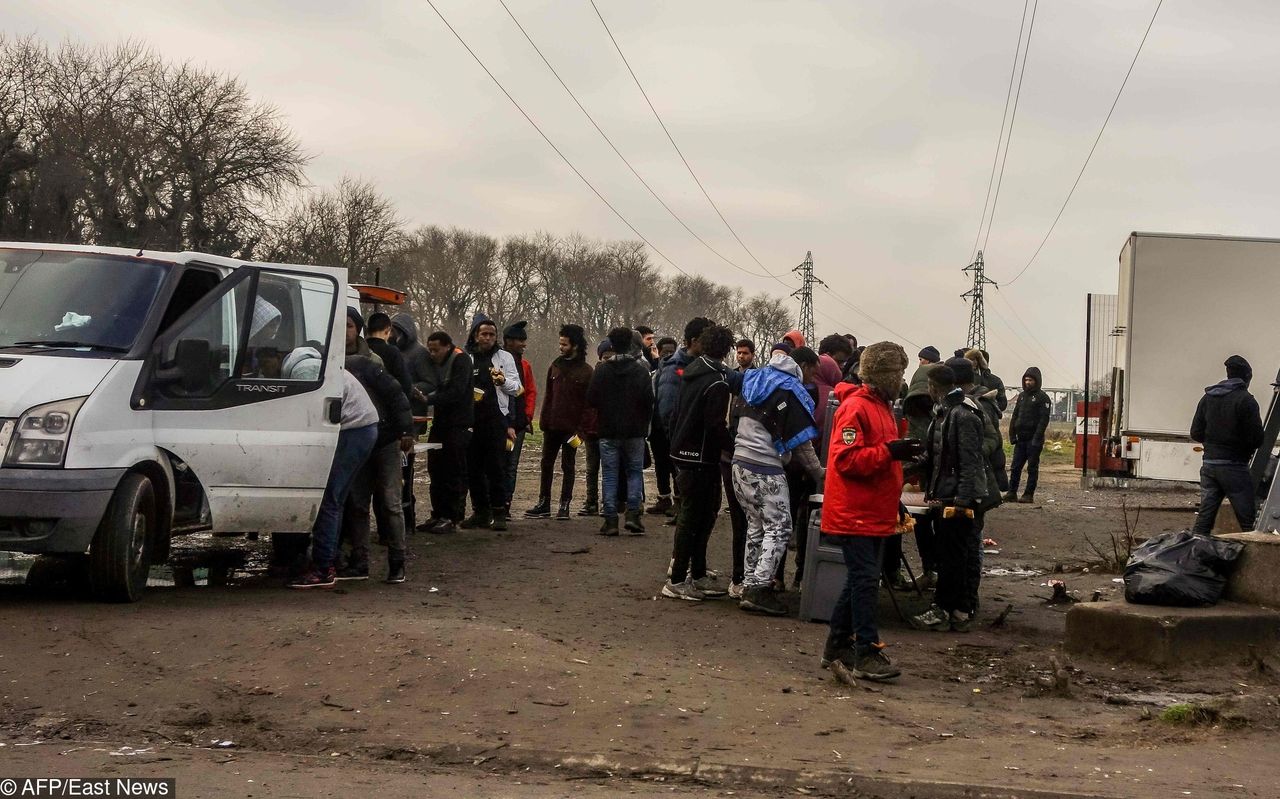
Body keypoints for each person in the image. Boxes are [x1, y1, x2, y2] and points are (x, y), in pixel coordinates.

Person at [819, 342, 917, 681]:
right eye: (899, 373)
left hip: (870, 510)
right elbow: (846, 460)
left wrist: (900, 454)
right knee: (864, 581)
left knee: (862, 579)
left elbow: (875, 454)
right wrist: (890, 451)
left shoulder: (881, 408)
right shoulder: (856, 408)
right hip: (854, 511)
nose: (902, 379)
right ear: (883, 375)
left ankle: (837, 647)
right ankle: (866, 652)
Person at [732, 348, 825, 616]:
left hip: (740, 461)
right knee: (780, 526)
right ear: (803, 366)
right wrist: (820, 473)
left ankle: (749, 581)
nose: (812, 379)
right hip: (765, 465)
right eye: (812, 372)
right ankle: (759, 588)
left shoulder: (756, 378)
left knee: (756, 524)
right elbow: (802, 445)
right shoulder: (790, 390)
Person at [911, 364, 988, 632]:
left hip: (956, 497)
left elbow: (970, 462)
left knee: (954, 557)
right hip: (946, 494)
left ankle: (946, 609)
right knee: (953, 554)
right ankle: (958, 610)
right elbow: (936, 456)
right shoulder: (944, 414)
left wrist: (963, 501)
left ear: (933, 387)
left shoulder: (962, 416)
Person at [663, 324, 736, 600]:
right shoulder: (718, 382)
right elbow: (715, 426)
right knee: (695, 518)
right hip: (702, 458)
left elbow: (675, 413)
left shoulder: (689, 372)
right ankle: (678, 580)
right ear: (727, 350)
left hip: (682, 452)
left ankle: (698, 574)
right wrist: (734, 447)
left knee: (699, 516)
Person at [289, 370, 380, 588]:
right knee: (335, 500)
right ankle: (328, 560)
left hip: (353, 430)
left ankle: (323, 568)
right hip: (363, 428)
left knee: (329, 498)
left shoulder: (304, 371)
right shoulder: (312, 364)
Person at [338, 351, 415, 583]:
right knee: (359, 504)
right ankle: (362, 562)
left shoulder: (363, 366)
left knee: (390, 502)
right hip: (363, 442)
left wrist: (406, 430)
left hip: (383, 441)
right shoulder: (348, 367)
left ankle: (396, 562)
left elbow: (396, 395)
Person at [587, 327, 654, 536]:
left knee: (609, 475)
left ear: (612, 345)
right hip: (634, 431)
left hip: (608, 430)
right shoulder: (641, 371)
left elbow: (591, 399)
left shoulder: (602, 370)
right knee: (634, 472)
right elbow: (649, 401)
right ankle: (633, 515)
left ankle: (610, 520)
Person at [1190, 355, 1265, 534]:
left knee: (1204, 520)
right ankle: (1253, 559)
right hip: (1234, 468)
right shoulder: (1246, 400)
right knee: (1248, 522)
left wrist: (1213, 444)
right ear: (1247, 377)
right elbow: (1257, 439)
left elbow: (1195, 432)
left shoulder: (1207, 398)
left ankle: (1193, 554)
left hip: (1209, 465)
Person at [527, 324, 593, 520]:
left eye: (564, 344)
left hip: (572, 430)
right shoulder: (554, 366)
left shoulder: (587, 372)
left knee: (568, 466)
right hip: (552, 427)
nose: (561, 347)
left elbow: (590, 406)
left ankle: (564, 505)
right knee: (546, 464)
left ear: (575, 345)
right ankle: (544, 503)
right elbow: (548, 396)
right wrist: (544, 421)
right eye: (560, 343)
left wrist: (581, 432)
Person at [419, 331, 474, 535]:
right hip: (440, 424)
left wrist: (429, 399)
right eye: (430, 350)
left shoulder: (461, 360)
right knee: (435, 469)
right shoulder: (439, 364)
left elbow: (456, 392)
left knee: (453, 470)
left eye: (436, 350)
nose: (432, 354)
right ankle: (438, 513)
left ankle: (451, 516)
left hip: (458, 425)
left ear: (447, 346)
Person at [391, 312, 432, 532]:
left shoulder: (419, 354)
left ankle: (408, 521)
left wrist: (411, 389)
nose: (395, 335)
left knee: (405, 471)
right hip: (394, 417)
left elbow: (429, 382)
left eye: (398, 331)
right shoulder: (393, 352)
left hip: (412, 419)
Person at [722, 339, 756, 598]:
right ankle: (739, 576)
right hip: (730, 454)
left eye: (745, 353)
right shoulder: (730, 381)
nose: (741, 356)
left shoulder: (754, 381)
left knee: (746, 519)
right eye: (739, 352)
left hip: (740, 454)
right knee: (740, 519)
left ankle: (744, 575)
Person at [502, 321, 537, 510]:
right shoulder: (498, 363)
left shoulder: (525, 365)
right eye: (520, 340)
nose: (524, 344)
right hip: (501, 422)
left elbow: (530, 391)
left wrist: (528, 416)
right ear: (508, 341)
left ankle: (506, 502)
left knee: (511, 465)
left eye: (524, 340)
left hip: (519, 424)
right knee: (499, 463)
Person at [965, 349, 1009, 493]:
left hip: (987, 424)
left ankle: (997, 488)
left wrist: (988, 405)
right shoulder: (968, 378)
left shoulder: (993, 381)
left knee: (993, 457)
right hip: (982, 425)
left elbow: (1002, 404)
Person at [1006, 366, 1052, 504]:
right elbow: (1015, 416)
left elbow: (1044, 420)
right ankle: (1012, 492)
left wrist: (1037, 438)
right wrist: (1012, 435)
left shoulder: (1043, 398)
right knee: (1015, 467)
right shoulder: (1021, 397)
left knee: (1032, 468)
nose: (1027, 382)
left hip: (1033, 439)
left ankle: (1028, 494)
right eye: (1026, 380)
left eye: (1030, 380)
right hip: (1021, 439)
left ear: (1036, 381)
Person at [577, 339, 612, 517]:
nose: (608, 359)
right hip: (592, 429)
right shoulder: (594, 374)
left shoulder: (614, 375)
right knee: (591, 468)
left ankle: (608, 502)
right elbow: (586, 404)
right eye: (606, 356)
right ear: (600, 357)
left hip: (608, 430)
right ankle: (591, 501)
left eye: (611, 356)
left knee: (608, 468)